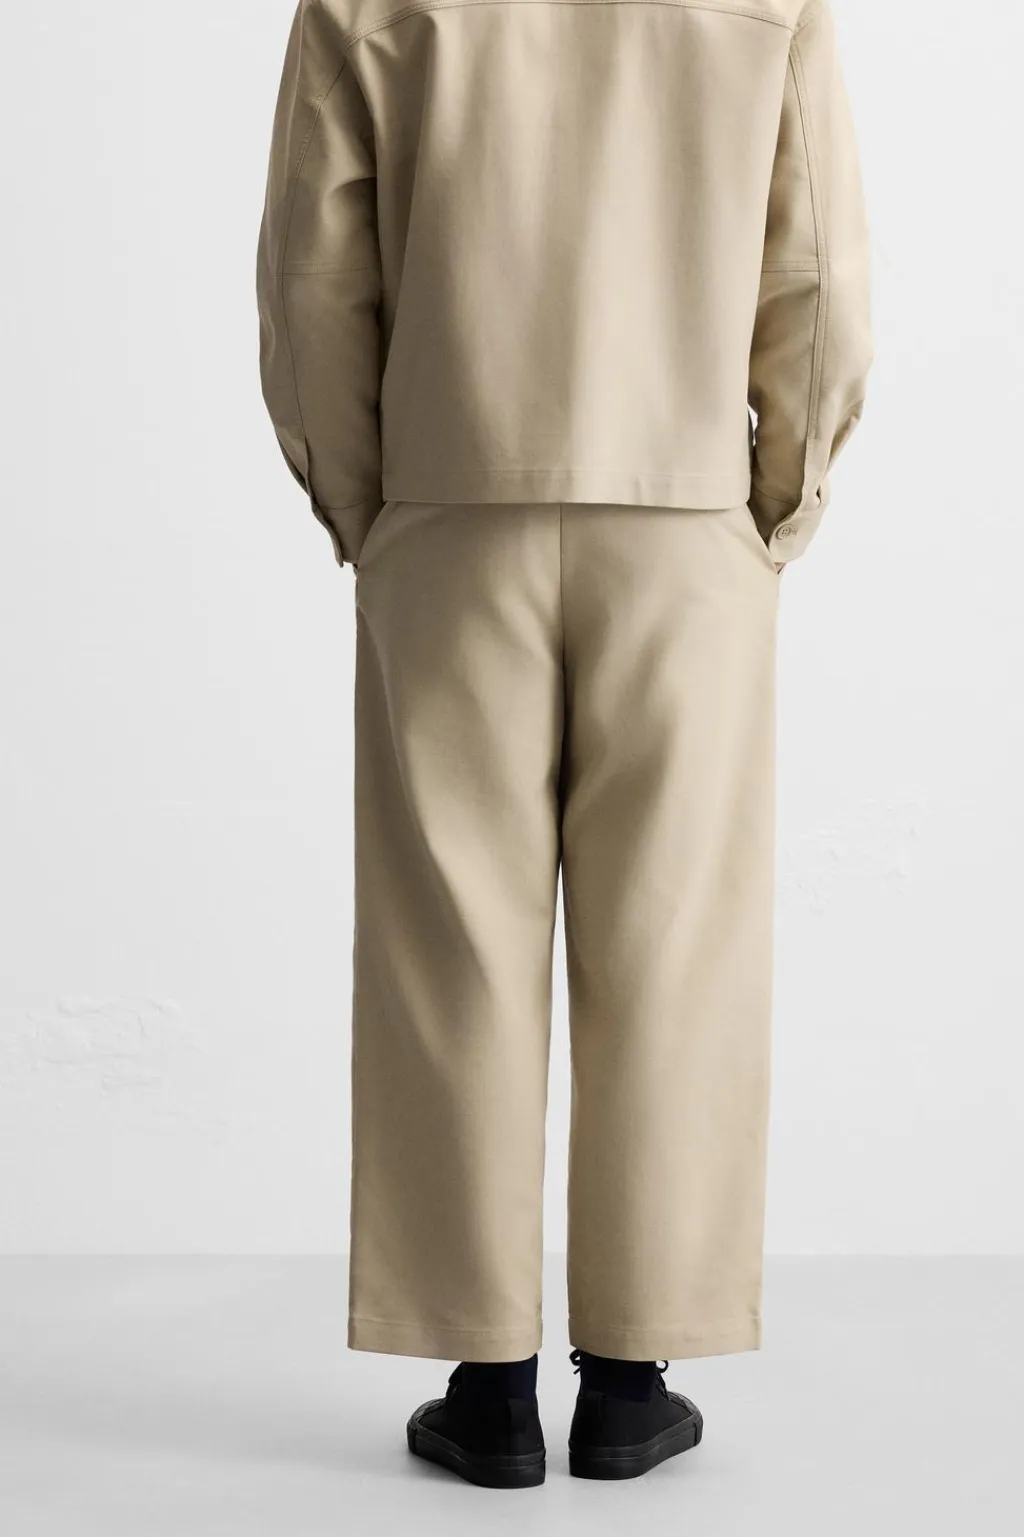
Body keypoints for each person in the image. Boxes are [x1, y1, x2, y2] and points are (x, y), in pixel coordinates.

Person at [257, 0, 871, 1489]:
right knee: (674, 938)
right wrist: (777, 501)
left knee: (449, 938)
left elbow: (312, 279)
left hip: (449, 503)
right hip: (683, 520)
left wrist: (371, 504)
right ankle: (633, 1378)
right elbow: (817, 272)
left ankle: (485, 1383)